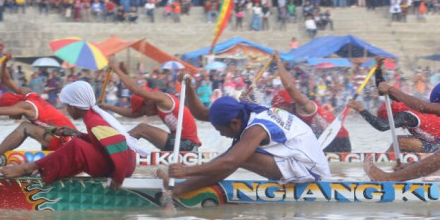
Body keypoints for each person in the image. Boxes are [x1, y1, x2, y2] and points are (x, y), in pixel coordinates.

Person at [159, 96, 331, 205]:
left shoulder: (256, 129)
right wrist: (189, 86)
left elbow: (231, 162)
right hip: (300, 160)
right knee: (235, 152)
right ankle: (185, 185)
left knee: (240, 157)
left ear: (234, 123)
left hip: (311, 172)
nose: (222, 134)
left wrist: (186, 170)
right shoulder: (248, 110)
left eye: (221, 130)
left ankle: (178, 190)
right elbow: (203, 114)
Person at [0, 81, 143, 189]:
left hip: (121, 169)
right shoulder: (93, 117)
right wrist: (77, 133)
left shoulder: (95, 121)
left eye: (67, 106)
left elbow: (120, 147)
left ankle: (28, 168)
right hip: (119, 166)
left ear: (73, 107)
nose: (66, 110)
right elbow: (99, 143)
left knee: (76, 146)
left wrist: (118, 180)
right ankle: (41, 170)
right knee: (77, 142)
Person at [0, 61, 76, 166]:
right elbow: (6, 80)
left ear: (12, 107)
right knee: (40, 129)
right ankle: (45, 164)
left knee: (25, 127)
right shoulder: (29, 94)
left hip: (67, 144)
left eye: (9, 112)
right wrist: (4, 63)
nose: (10, 116)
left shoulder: (26, 107)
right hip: (70, 141)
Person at [100, 65, 201, 152]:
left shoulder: (162, 99)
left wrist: (116, 70)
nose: (147, 115)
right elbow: (132, 114)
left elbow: (136, 89)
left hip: (188, 144)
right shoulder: (153, 105)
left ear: (147, 102)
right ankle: (118, 149)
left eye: (145, 111)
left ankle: (112, 150)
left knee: (141, 128)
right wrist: (108, 107)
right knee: (141, 128)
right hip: (179, 143)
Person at [271, 57, 351, 152]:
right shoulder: (291, 114)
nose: (280, 113)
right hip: (321, 139)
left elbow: (289, 87)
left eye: (281, 109)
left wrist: (279, 64)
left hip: (337, 139)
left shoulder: (304, 107)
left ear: (288, 105)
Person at [349, 98, 440, 153]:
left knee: (400, 142)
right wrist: (378, 70)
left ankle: (384, 165)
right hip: (434, 142)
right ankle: (389, 161)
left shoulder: (407, 116)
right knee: (400, 141)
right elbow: (385, 90)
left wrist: (361, 109)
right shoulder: (406, 112)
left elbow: (382, 126)